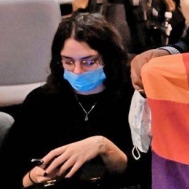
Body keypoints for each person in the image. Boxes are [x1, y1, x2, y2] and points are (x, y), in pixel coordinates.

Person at [0, 13, 142, 188]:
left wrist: (104, 147)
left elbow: (143, 173)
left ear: (109, 59)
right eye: (68, 62)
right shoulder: (41, 101)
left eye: (89, 62)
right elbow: (8, 171)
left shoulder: (133, 98)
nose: (77, 71)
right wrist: (31, 177)